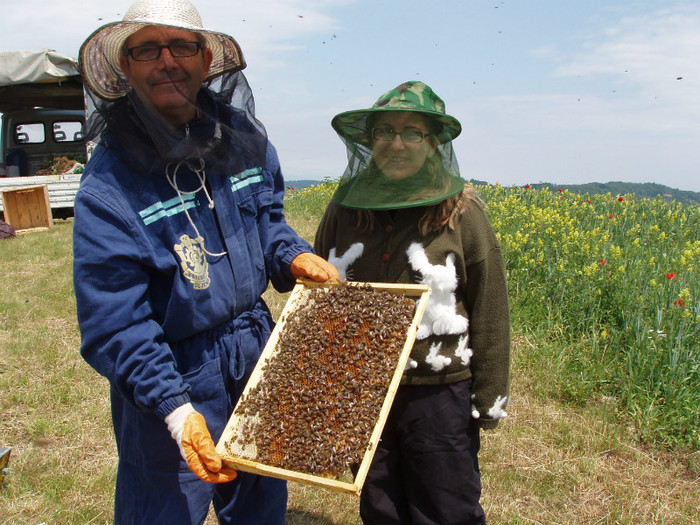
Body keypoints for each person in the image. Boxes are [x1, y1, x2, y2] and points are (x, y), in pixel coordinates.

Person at [72, 0, 339, 523]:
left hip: (253, 349)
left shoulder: (240, 137)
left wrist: (293, 254)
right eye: (146, 48)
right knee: (164, 512)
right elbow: (114, 323)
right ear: (126, 67)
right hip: (172, 368)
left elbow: (265, 217)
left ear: (206, 57)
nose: (166, 60)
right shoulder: (108, 186)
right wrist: (174, 410)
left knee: (261, 507)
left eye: (181, 46)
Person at [314, 80, 511, 524]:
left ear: (433, 143)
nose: (397, 143)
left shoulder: (465, 213)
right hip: (365, 385)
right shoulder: (345, 208)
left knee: (446, 504)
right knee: (380, 499)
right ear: (369, 141)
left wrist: (489, 394)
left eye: (412, 133)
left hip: (439, 392)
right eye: (385, 131)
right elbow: (321, 290)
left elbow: (491, 307)